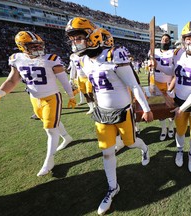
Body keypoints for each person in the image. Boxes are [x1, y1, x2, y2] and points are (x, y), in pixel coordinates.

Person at [65, 17, 153, 215]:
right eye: (72, 39)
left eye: (79, 37)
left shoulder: (115, 54)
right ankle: (113, 187)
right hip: (102, 113)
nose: (75, 42)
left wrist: (146, 108)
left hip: (123, 111)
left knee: (130, 142)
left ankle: (144, 148)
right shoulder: (84, 60)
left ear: (92, 36)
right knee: (107, 151)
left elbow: (133, 85)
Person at [0, 31, 76, 176]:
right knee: (52, 122)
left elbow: (64, 79)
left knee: (50, 129)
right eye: (32, 46)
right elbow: (13, 80)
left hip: (51, 97)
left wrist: (71, 95)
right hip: (34, 98)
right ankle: (67, 137)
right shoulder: (16, 58)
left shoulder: (52, 59)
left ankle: (49, 161)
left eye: (38, 45)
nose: (37, 48)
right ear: (22, 46)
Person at [150, 21, 191, 173]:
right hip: (178, 101)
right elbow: (172, 70)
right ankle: (180, 151)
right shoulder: (178, 53)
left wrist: (182, 108)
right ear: (183, 39)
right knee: (180, 131)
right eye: (188, 38)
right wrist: (158, 65)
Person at [149, 33, 175, 141]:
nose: (164, 41)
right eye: (163, 39)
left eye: (167, 39)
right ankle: (164, 128)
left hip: (169, 82)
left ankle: (171, 126)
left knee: (172, 108)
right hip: (156, 81)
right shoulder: (153, 51)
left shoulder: (173, 52)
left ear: (169, 42)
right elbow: (150, 66)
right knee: (160, 108)